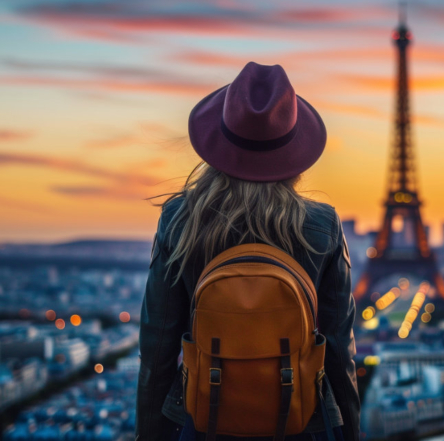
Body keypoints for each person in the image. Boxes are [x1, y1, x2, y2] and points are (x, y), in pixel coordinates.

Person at [136, 62, 359, 441]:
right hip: (301, 420)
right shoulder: (321, 226)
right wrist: (349, 432)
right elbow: (338, 349)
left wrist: (151, 434)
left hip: (205, 416)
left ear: (217, 141)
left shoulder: (181, 219)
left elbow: (157, 345)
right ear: (294, 147)